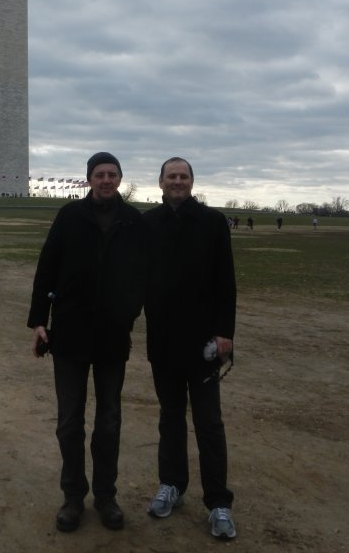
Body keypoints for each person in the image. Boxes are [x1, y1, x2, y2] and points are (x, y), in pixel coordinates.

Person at [27, 152, 147, 533]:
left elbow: (142, 275)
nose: (106, 180)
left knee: (109, 422)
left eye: (112, 174)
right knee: (69, 422)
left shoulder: (133, 221)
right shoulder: (69, 215)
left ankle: (106, 496)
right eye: (100, 174)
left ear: (120, 179)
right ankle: (73, 497)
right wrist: (38, 322)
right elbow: (47, 266)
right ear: (89, 179)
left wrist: (129, 315)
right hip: (70, 333)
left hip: (112, 336)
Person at [144, 157, 237, 540]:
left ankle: (218, 502)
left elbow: (225, 282)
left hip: (203, 342)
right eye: (171, 176)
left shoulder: (213, 223)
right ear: (161, 182)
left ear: (192, 182)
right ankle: (172, 485)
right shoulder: (147, 223)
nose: (177, 181)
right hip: (163, 339)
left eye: (183, 176)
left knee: (209, 423)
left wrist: (224, 332)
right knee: (169, 418)